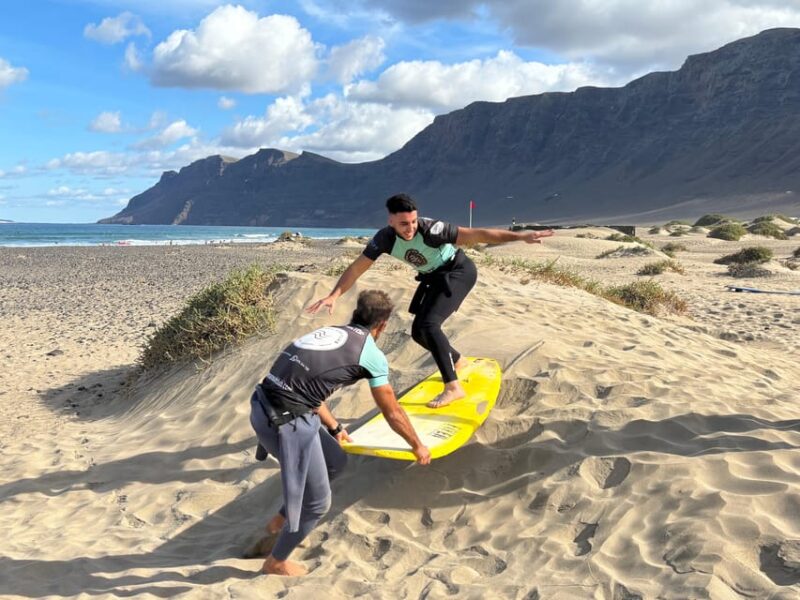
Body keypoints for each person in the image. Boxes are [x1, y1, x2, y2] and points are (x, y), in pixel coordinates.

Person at [307, 193, 554, 408]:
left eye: (413, 221)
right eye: (404, 224)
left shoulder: (432, 230)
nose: (410, 228)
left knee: (429, 325)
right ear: (390, 221)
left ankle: (453, 387)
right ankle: (457, 360)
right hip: (433, 278)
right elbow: (356, 268)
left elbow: (478, 234)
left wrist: (521, 237)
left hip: (458, 272)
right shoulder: (384, 239)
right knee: (418, 332)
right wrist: (334, 295)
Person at [250, 289, 431, 577]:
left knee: (335, 460)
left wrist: (334, 427)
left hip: (262, 408)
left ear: (355, 314)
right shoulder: (370, 355)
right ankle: (276, 562)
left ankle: (279, 522)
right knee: (317, 503)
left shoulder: (329, 334)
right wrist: (417, 445)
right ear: (382, 325)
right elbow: (392, 411)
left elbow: (309, 389)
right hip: (286, 425)